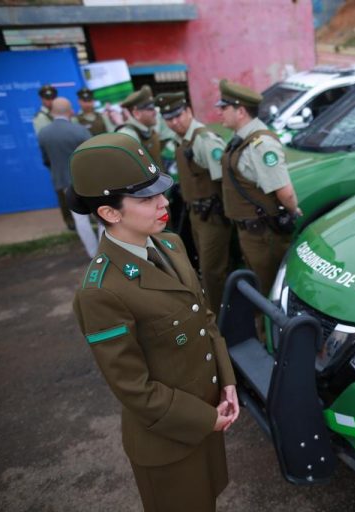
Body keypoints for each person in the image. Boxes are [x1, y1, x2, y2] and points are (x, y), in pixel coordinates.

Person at [69, 132, 239, 512]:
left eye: (161, 191)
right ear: (110, 213)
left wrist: (227, 382)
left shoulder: (171, 244)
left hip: (207, 419)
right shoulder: (101, 292)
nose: (164, 202)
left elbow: (205, 319)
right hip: (170, 441)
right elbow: (134, 389)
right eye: (147, 198)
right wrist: (205, 418)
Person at [217, 78, 302, 299]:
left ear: (241, 111)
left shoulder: (261, 145)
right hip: (251, 233)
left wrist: (293, 210)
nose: (219, 113)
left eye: (224, 108)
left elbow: (286, 192)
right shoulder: (241, 139)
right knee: (258, 286)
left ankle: (268, 333)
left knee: (268, 291)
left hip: (263, 235)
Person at [156, 91, 232, 314]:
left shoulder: (204, 141)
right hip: (196, 214)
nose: (174, 122)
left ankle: (220, 315)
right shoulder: (182, 140)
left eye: (178, 115)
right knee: (203, 266)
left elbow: (226, 181)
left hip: (213, 216)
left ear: (189, 111)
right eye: (169, 118)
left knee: (212, 270)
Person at [37, 97, 99, 255]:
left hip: (64, 182)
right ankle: (106, 250)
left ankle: (93, 253)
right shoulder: (80, 130)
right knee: (100, 215)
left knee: (80, 219)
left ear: (52, 112)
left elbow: (46, 159)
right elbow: (94, 155)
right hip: (87, 180)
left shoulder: (44, 133)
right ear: (70, 111)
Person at [116, 85, 164, 168]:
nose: (155, 112)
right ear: (136, 113)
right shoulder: (128, 136)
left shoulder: (148, 128)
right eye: (150, 109)